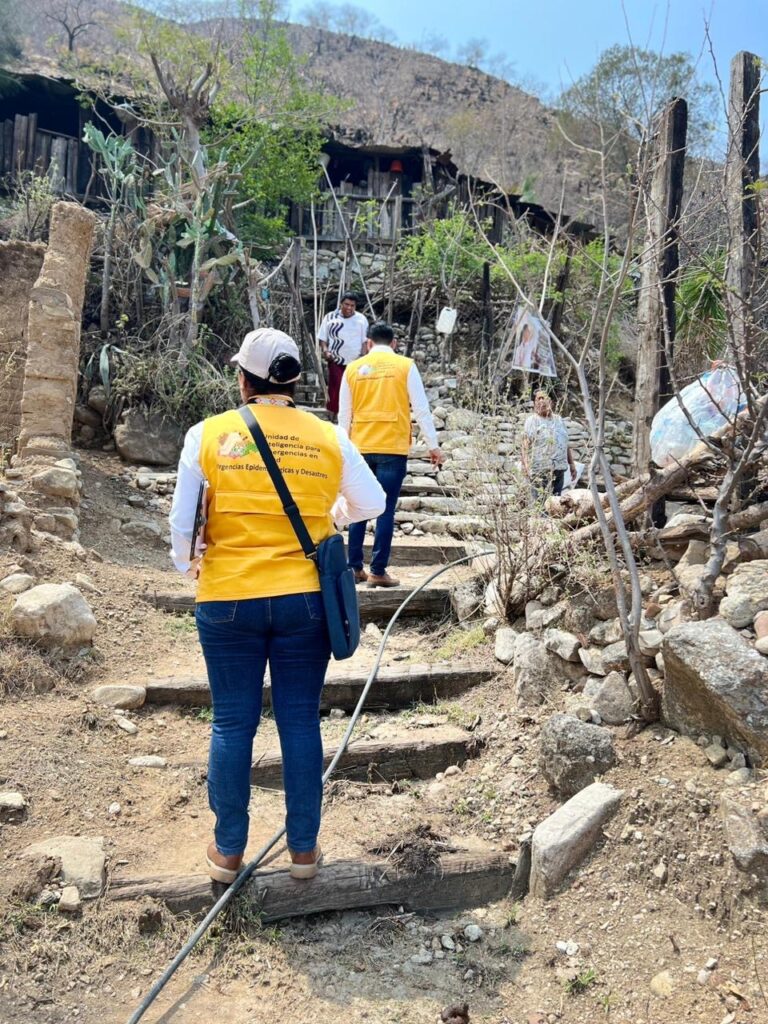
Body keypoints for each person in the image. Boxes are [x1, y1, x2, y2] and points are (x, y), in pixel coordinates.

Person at [169, 328, 385, 884]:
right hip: (305, 601)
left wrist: (191, 564)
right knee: (298, 721)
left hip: (227, 598)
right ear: (292, 381)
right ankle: (305, 853)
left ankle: (228, 852)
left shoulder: (208, 434)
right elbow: (373, 502)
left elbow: (181, 531)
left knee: (232, 722)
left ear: (243, 379)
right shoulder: (327, 435)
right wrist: (331, 514)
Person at [338, 321, 443, 588]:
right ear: (394, 343)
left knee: (357, 508)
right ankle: (378, 571)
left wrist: (341, 450)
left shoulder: (351, 369)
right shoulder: (405, 366)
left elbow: (344, 415)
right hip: (392, 448)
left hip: (359, 447)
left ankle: (354, 568)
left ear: (368, 343)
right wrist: (433, 446)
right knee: (384, 510)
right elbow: (421, 409)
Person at [318, 292, 369, 421]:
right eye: (346, 304)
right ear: (341, 303)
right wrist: (325, 351)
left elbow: (365, 341)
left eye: (352, 305)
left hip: (355, 360)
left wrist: (363, 356)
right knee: (336, 385)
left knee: (354, 387)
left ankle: (350, 415)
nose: (349, 308)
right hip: (336, 359)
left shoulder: (361, 319)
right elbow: (322, 338)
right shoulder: (330, 317)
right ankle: (332, 413)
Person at [521, 390, 576, 501]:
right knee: (540, 506)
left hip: (559, 470)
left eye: (544, 398)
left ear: (551, 402)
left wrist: (572, 464)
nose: (541, 401)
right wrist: (525, 465)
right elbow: (525, 446)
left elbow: (565, 443)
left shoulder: (559, 420)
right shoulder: (532, 421)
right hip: (540, 471)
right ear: (535, 403)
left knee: (556, 505)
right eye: (538, 399)